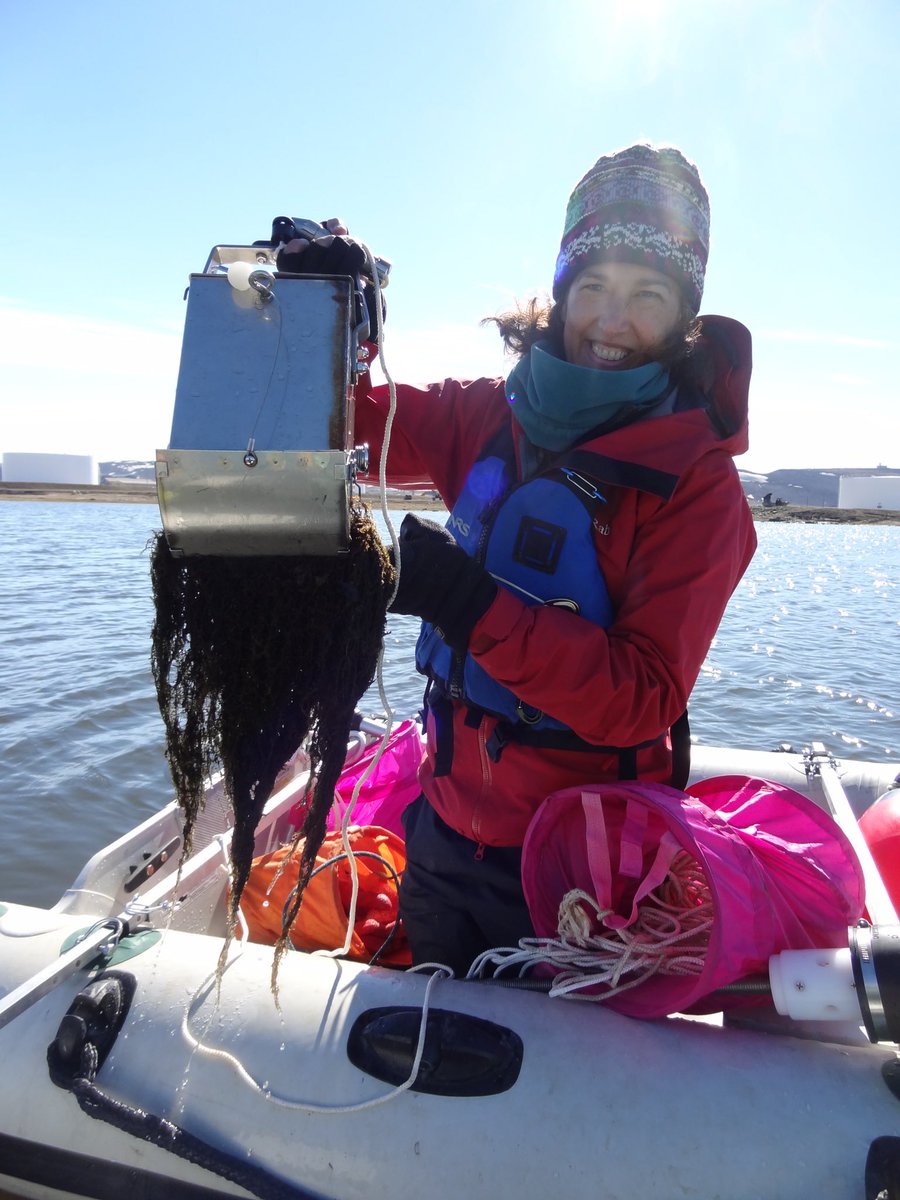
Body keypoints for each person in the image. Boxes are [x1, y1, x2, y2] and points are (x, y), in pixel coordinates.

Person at [275, 144, 757, 975]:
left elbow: (640, 697)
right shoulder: (486, 415)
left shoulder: (702, 490)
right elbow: (339, 420)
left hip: (585, 870)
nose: (613, 320)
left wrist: (473, 610)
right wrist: (329, 310)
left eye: (649, 295)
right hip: (444, 834)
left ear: (685, 315)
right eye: (595, 287)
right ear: (564, 291)